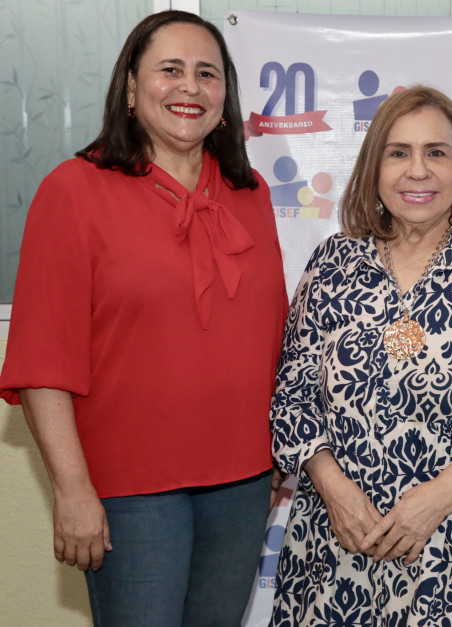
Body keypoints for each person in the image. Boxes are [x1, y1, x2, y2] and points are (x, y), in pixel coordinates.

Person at [0, 10, 287, 626]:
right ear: (130, 88)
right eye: (170, 70)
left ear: (225, 95)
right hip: (129, 489)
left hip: (242, 482)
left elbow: (270, 338)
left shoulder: (251, 194)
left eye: (207, 74)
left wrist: (274, 462)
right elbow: (43, 360)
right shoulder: (74, 190)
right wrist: (73, 490)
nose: (190, 87)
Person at [269, 86, 452, 626]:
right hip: (342, 542)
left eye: (436, 152)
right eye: (398, 152)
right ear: (374, 166)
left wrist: (433, 500)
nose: (418, 170)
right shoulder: (333, 263)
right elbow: (292, 398)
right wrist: (335, 490)